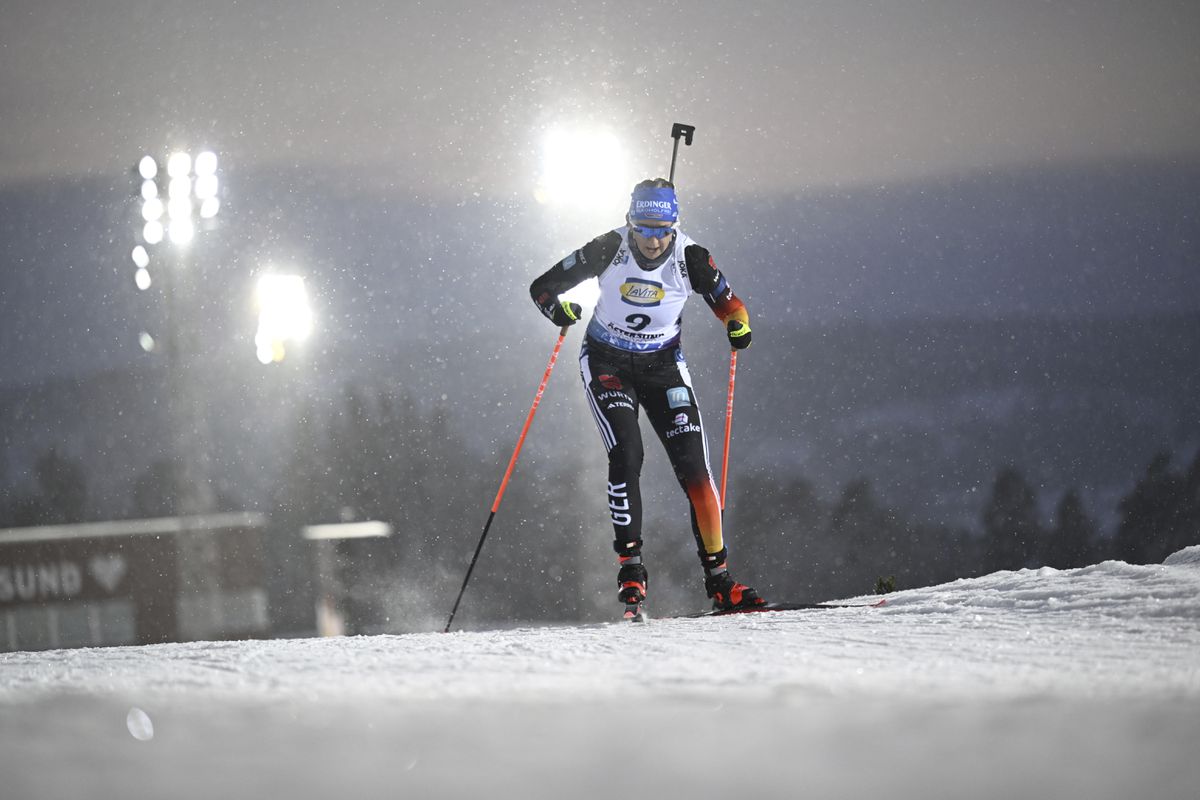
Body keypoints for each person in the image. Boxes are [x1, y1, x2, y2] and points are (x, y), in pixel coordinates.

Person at [529, 178, 765, 618]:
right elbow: (542, 287)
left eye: (662, 229)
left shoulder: (691, 257)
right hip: (606, 363)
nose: (653, 240)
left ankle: (720, 582)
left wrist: (738, 326)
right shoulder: (607, 248)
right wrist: (557, 311)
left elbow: (733, 306)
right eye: (644, 228)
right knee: (627, 454)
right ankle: (631, 567)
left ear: (674, 225)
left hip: (663, 367)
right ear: (629, 223)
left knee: (695, 469)